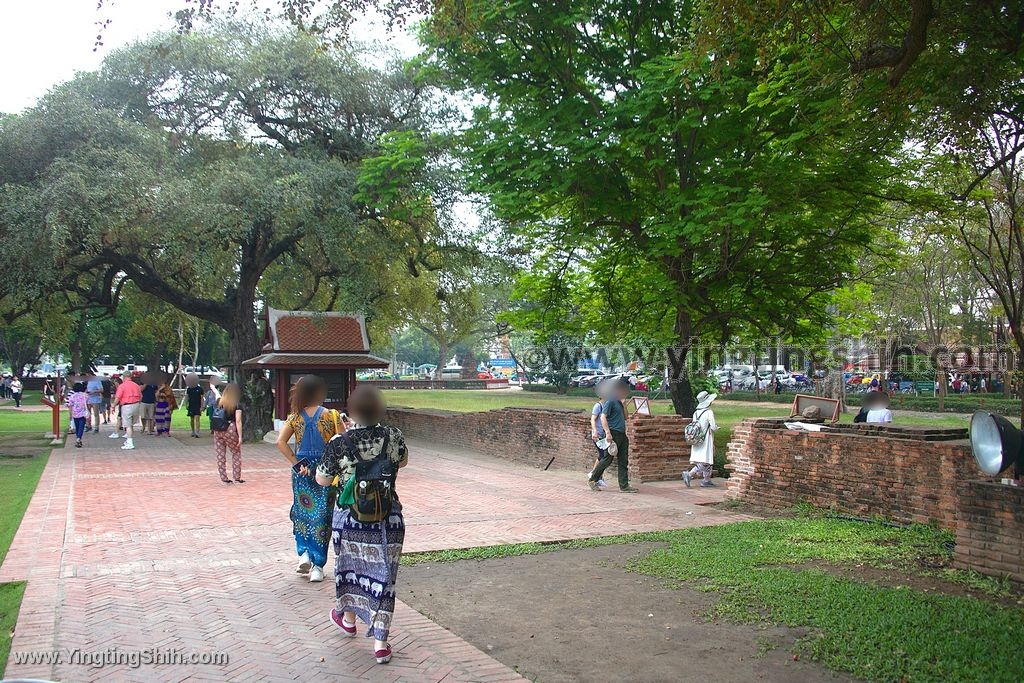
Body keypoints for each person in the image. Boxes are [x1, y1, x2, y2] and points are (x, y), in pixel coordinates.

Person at [316, 385, 408, 665]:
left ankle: (347, 618)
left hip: (350, 520)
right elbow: (402, 462)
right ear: (379, 409)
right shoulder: (393, 436)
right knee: (384, 579)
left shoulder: (339, 442)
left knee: (350, 571)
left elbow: (321, 479)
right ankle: (380, 644)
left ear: (352, 410)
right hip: (387, 520)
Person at [275, 375, 344, 583]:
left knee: (302, 512)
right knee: (323, 517)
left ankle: (303, 553)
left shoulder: (294, 418)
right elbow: (343, 442)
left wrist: (297, 463)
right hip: (326, 471)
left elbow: (281, 442)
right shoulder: (332, 415)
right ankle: (318, 566)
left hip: (302, 471)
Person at [588, 378, 636, 493]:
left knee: (623, 460)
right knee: (607, 459)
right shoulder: (610, 401)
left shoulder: (620, 402)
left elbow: (626, 417)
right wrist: (608, 433)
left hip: (622, 434)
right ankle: (593, 479)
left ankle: (624, 486)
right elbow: (603, 417)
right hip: (612, 433)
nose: (626, 392)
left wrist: (624, 405)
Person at [683, 391, 719, 487]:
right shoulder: (708, 412)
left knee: (706, 460)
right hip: (706, 439)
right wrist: (716, 428)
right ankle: (689, 474)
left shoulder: (696, 413)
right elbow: (713, 426)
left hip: (697, 438)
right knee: (705, 460)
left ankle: (706, 480)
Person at [212, 383, 244, 483]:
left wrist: (212, 387)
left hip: (218, 429)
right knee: (236, 453)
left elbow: (216, 394)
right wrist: (240, 436)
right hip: (230, 428)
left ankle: (224, 477)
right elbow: (238, 421)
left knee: (220, 454)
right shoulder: (237, 404)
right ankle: (237, 477)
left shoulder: (220, 402)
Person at [587, 381, 609, 488]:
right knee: (603, 456)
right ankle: (595, 475)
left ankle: (596, 474)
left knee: (602, 456)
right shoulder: (598, 405)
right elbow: (593, 419)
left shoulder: (608, 405)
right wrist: (594, 430)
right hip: (598, 435)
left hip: (604, 435)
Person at [112, 376, 142, 450]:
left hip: (127, 405)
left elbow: (118, 397)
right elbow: (141, 396)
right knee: (131, 423)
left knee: (127, 425)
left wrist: (113, 405)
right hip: (136, 405)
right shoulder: (136, 385)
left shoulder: (122, 386)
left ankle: (129, 442)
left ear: (124, 377)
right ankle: (128, 439)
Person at [67, 381, 90, 448]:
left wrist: (70, 414)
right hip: (83, 413)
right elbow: (88, 404)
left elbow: (70, 406)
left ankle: (78, 438)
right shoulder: (85, 395)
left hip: (75, 413)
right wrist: (89, 411)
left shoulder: (72, 396)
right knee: (81, 427)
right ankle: (78, 438)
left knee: (77, 427)